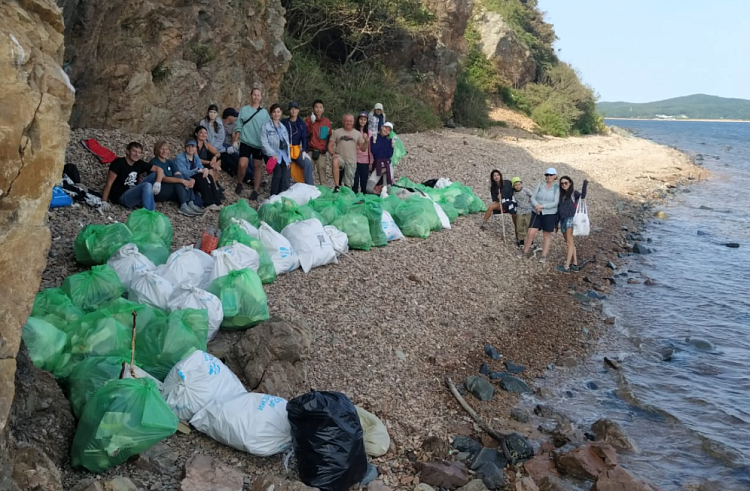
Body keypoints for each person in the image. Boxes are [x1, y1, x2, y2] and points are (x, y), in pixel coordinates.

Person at [101, 141, 164, 211]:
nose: (137, 154)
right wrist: (104, 201)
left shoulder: (139, 163)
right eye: (134, 151)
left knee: (155, 175)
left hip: (133, 190)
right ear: (127, 151)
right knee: (147, 185)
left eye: (139, 152)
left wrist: (158, 183)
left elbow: (159, 169)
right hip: (122, 196)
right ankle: (150, 213)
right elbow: (109, 182)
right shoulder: (118, 163)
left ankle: (145, 201)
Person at [233, 88, 270, 200]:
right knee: (242, 164)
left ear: (261, 97)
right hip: (245, 141)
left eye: (258, 95)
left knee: (257, 167)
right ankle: (240, 182)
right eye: (254, 95)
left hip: (258, 144)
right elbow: (238, 126)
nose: (256, 97)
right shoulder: (244, 110)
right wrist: (235, 140)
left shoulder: (264, 113)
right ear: (251, 96)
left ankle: (255, 190)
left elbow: (268, 129)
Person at [150, 140, 204, 216]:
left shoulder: (169, 162)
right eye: (162, 149)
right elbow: (163, 178)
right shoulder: (154, 162)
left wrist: (190, 180)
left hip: (172, 189)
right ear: (157, 150)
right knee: (179, 181)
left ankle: (190, 203)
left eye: (166, 149)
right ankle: (183, 206)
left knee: (183, 178)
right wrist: (182, 181)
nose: (164, 151)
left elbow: (178, 174)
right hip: (159, 189)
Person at [520, 167, 560, 263]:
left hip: (549, 214)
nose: (548, 177)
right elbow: (533, 197)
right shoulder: (540, 184)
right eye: (547, 175)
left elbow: (555, 202)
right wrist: (536, 205)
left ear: (555, 176)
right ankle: (525, 251)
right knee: (531, 232)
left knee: (546, 235)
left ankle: (543, 255)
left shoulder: (557, 188)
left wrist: (542, 206)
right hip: (537, 212)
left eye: (551, 175)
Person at [174, 140, 223, 211]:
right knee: (200, 177)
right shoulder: (180, 157)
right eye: (188, 146)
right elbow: (184, 173)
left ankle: (217, 202)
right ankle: (209, 203)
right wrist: (197, 170)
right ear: (185, 148)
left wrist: (205, 170)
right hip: (186, 179)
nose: (190, 149)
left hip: (196, 178)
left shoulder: (195, 157)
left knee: (209, 176)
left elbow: (201, 167)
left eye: (193, 146)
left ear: (195, 148)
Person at [556, 176, 589, 273]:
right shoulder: (561, 195)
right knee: (569, 243)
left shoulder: (574, 193)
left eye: (566, 183)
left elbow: (583, 196)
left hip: (570, 219)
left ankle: (566, 267)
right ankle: (575, 264)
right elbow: (558, 209)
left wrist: (585, 183)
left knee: (570, 243)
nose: (564, 185)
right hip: (562, 220)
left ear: (570, 183)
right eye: (562, 183)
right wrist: (556, 224)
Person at [329, 114, 367, 191]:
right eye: (346, 121)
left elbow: (363, 148)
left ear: (353, 122)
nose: (348, 123)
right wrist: (332, 154)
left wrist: (366, 141)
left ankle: (347, 193)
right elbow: (330, 145)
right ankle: (336, 186)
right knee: (335, 161)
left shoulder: (357, 133)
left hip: (351, 160)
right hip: (340, 157)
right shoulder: (337, 132)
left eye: (350, 121)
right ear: (343, 121)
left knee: (348, 185)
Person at [261, 104, 292, 196]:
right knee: (277, 172)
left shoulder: (283, 127)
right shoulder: (266, 126)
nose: (276, 114)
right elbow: (264, 142)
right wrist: (271, 153)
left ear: (281, 113)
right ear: (271, 114)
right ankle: (273, 195)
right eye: (274, 112)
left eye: (278, 112)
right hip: (271, 154)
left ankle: (279, 196)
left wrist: (288, 160)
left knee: (283, 175)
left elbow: (287, 144)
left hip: (282, 155)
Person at [281, 101, 314, 185]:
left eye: (295, 109)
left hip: (296, 149)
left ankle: (309, 186)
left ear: (298, 111)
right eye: (292, 109)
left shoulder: (301, 124)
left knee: (307, 163)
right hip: (286, 149)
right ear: (289, 111)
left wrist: (304, 150)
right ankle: (285, 188)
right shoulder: (284, 122)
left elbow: (304, 138)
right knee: (286, 167)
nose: (293, 111)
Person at [305, 99, 333, 186]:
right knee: (308, 172)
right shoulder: (308, 120)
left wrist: (327, 150)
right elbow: (306, 134)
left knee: (322, 171)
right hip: (310, 151)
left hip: (321, 152)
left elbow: (329, 136)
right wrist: (312, 123)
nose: (318, 109)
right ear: (313, 109)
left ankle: (323, 192)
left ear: (323, 109)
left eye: (320, 107)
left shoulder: (327, 122)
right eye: (316, 107)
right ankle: (308, 190)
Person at [369, 122, 396, 191]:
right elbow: (374, 152)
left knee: (386, 189)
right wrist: (374, 141)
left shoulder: (389, 140)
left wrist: (392, 146)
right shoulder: (374, 137)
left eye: (389, 130)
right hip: (378, 165)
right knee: (369, 188)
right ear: (382, 127)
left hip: (387, 165)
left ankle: (385, 196)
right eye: (385, 128)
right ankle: (377, 193)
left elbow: (389, 155)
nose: (386, 130)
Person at [353, 111, 372, 193]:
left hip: (365, 160)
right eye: (361, 119)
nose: (363, 121)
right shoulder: (353, 131)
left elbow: (371, 149)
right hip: (354, 159)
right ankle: (354, 199)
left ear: (367, 121)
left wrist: (371, 162)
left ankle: (364, 200)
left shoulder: (369, 133)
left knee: (364, 182)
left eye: (365, 119)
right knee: (355, 182)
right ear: (358, 120)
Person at [511, 177, 533, 248]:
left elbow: (533, 197)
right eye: (516, 185)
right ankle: (521, 241)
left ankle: (531, 241)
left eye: (519, 184)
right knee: (519, 227)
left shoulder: (526, 190)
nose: (518, 186)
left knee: (528, 226)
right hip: (519, 211)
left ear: (521, 184)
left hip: (528, 211)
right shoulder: (513, 193)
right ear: (513, 186)